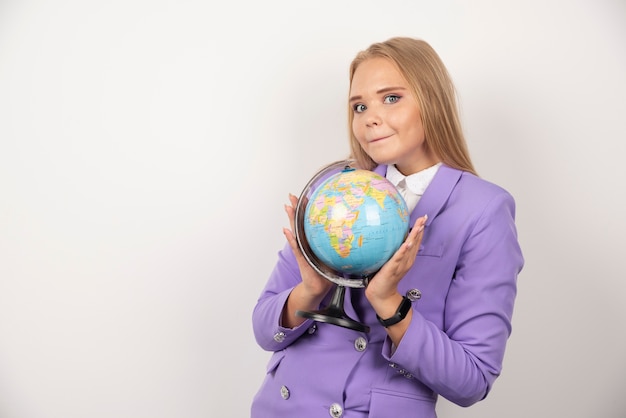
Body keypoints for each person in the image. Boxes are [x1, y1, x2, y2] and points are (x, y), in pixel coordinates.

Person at [251, 37, 524, 418]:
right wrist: (309, 290)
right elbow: (265, 332)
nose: (369, 117)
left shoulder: (483, 209)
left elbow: (472, 380)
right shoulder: (335, 190)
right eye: (359, 106)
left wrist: (390, 305)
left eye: (391, 98)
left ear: (432, 102)